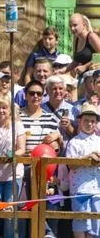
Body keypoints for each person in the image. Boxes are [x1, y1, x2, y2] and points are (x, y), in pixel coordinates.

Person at [0, 96, 26, 238]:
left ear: (10, 110)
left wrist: (12, 155)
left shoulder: (17, 126)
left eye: (4, 107)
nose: (1, 110)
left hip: (13, 175)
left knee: (9, 215)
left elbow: (22, 149)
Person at [65, 103, 100, 238]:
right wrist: (87, 158)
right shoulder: (74, 142)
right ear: (80, 121)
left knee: (95, 226)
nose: (90, 124)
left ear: (96, 123)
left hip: (97, 188)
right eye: (86, 121)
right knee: (80, 223)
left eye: (93, 121)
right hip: (80, 189)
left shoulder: (99, 140)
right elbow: (71, 164)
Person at [19, 80, 60, 153]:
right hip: (22, 162)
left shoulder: (51, 118)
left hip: (43, 162)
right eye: (32, 93)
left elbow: (58, 148)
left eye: (39, 93)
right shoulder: (17, 116)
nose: (35, 96)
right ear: (25, 96)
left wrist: (58, 136)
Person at [41, 75, 79, 142]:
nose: (58, 91)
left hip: (67, 151)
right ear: (47, 90)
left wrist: (68, 127)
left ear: (65, 90)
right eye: (54, 89)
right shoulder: (40, 109)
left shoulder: (73, 110)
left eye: (61, 88)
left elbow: (78, 137)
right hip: (46, 150)